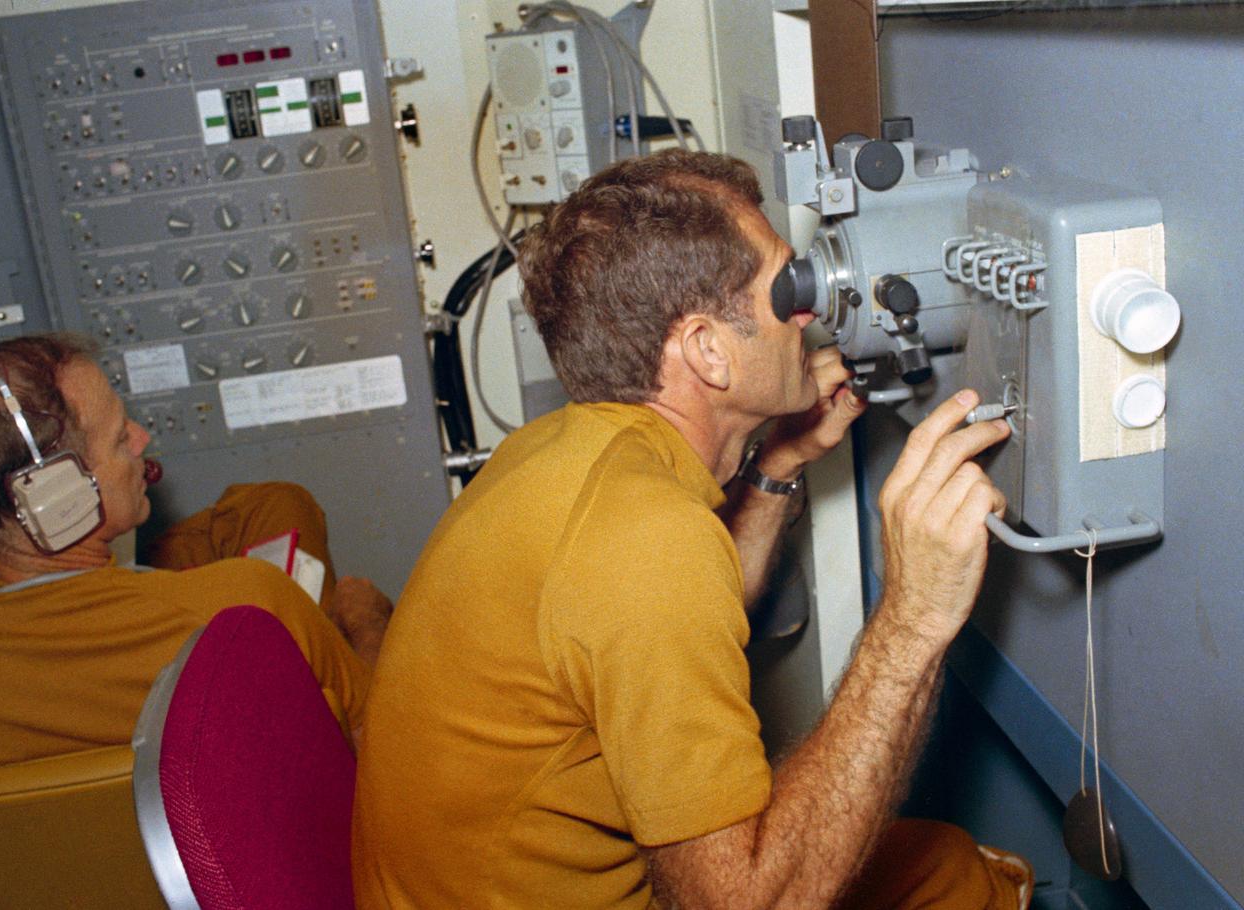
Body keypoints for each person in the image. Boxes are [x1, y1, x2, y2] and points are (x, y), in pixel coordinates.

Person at [351, 150, 1031, 909]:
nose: (810, 311)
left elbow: (673, 624)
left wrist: (780, 462)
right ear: (709, 350)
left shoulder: (560, 453)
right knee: (964, 883)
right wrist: (913, 620)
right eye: (786, 289)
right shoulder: (644, 539)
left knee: (933, 861)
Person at [0, 334, 392, 769]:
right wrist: (368, 626)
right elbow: (387, 752)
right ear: (57, 497)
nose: (141, 437)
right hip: (280, 815)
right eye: (118, 439)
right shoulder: (245, 610)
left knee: (274, 505)